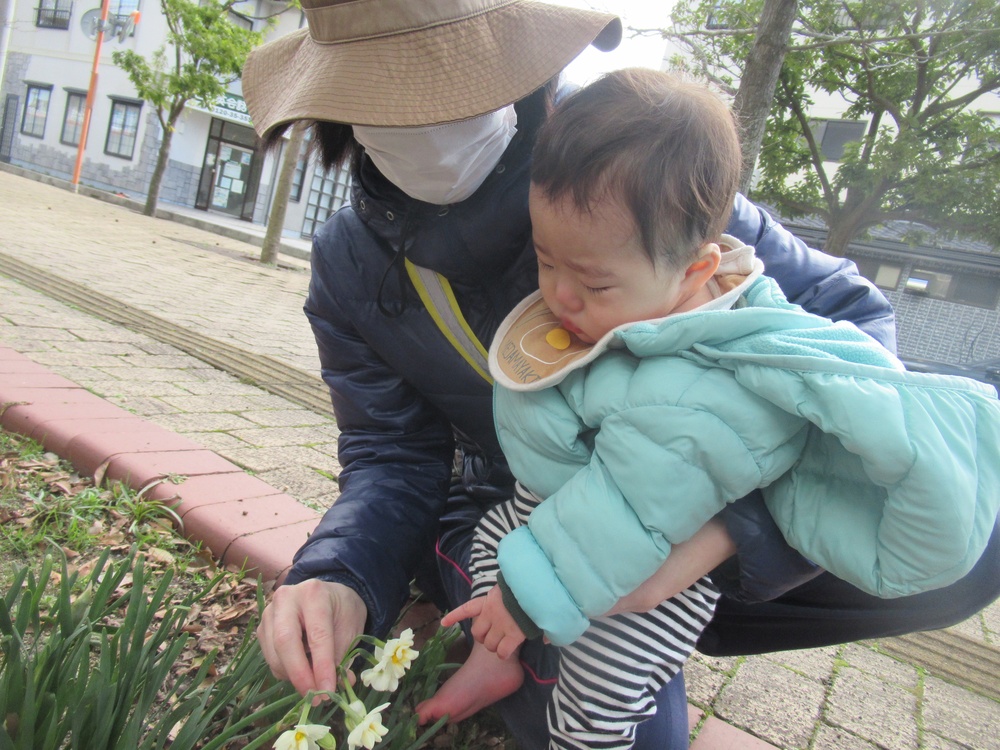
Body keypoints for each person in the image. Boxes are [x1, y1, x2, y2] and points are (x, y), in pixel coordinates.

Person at [241, 1, 1000, 747]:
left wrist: (716, 538)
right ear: (339, 109)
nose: (424, 122)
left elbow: (850, 336)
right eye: (383, 94)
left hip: (696, 507)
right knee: (620, 718)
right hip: (523, 512)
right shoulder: (350, 267)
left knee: (960, 521)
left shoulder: (638, 175)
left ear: (518, 71)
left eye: (449, 86)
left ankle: (657, 627)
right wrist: (340, 571)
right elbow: (392, 456)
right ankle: (548, 646)